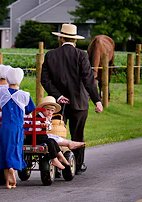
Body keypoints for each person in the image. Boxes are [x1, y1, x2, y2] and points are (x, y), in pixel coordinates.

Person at [41, 24, 103, 175]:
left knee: (55, 133)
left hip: (56, 104)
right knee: (77, 134)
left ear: (61, 38)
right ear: (74, 40)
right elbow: (88, 80)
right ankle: (78, 165)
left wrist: (58, 96)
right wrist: (97, 100)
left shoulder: (50, 55)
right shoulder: (81, 55)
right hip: (79, 102)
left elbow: (45, 80)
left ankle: (55, 164)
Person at [0, 67, 35, 189]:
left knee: (5, 149)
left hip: (5, 126)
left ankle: (8, 180)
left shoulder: (2, 93)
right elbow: (30, 109)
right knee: (15, 148)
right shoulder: (25, 95)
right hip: (17, 126)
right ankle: (13, 169)